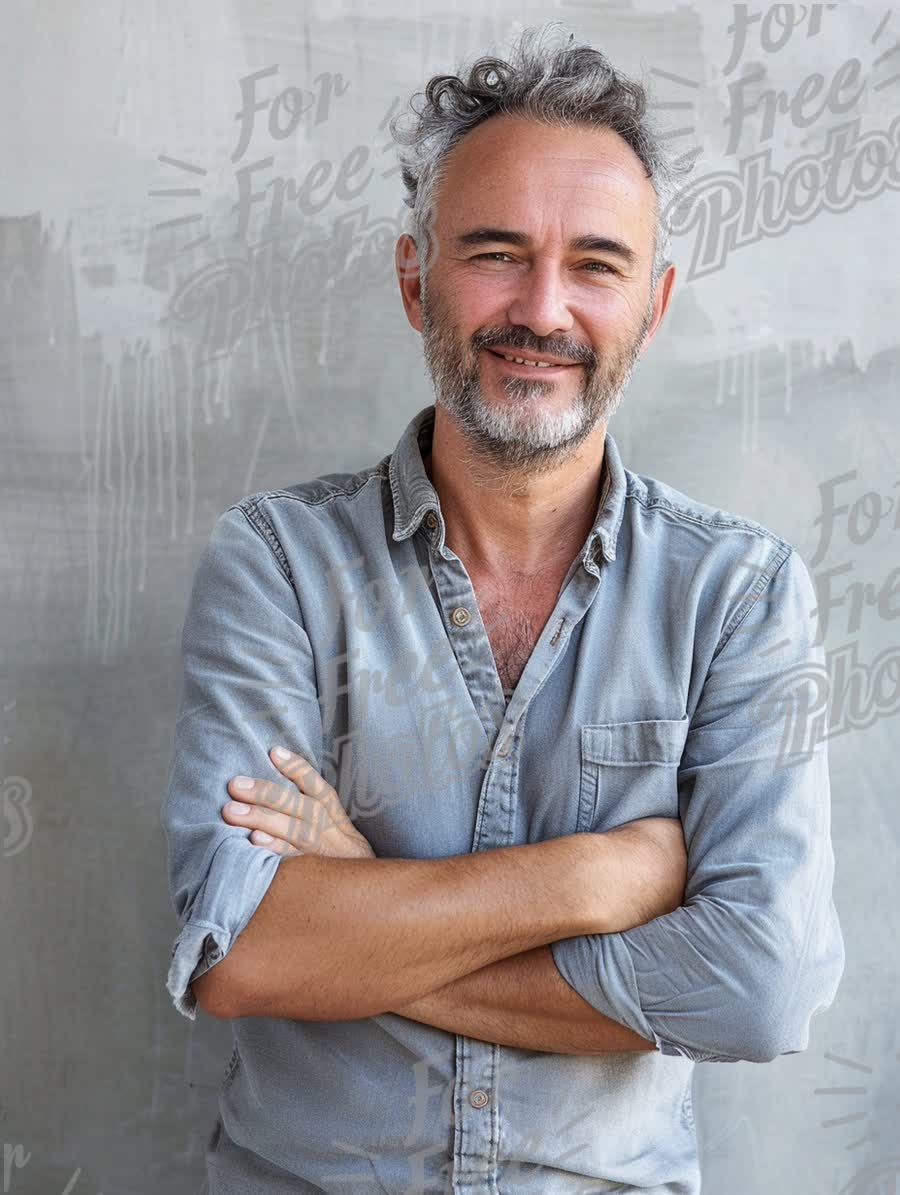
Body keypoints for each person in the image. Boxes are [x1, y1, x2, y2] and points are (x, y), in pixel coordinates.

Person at [162, 21, 845, 1193]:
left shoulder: (740, 595)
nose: (542, 309)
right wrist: (593, 879)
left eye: (595, 263)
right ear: (414, 274)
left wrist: (361, 925)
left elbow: (758, 985)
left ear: (655, 301)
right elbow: (241, 952)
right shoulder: (276, 564)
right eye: (494, 252)